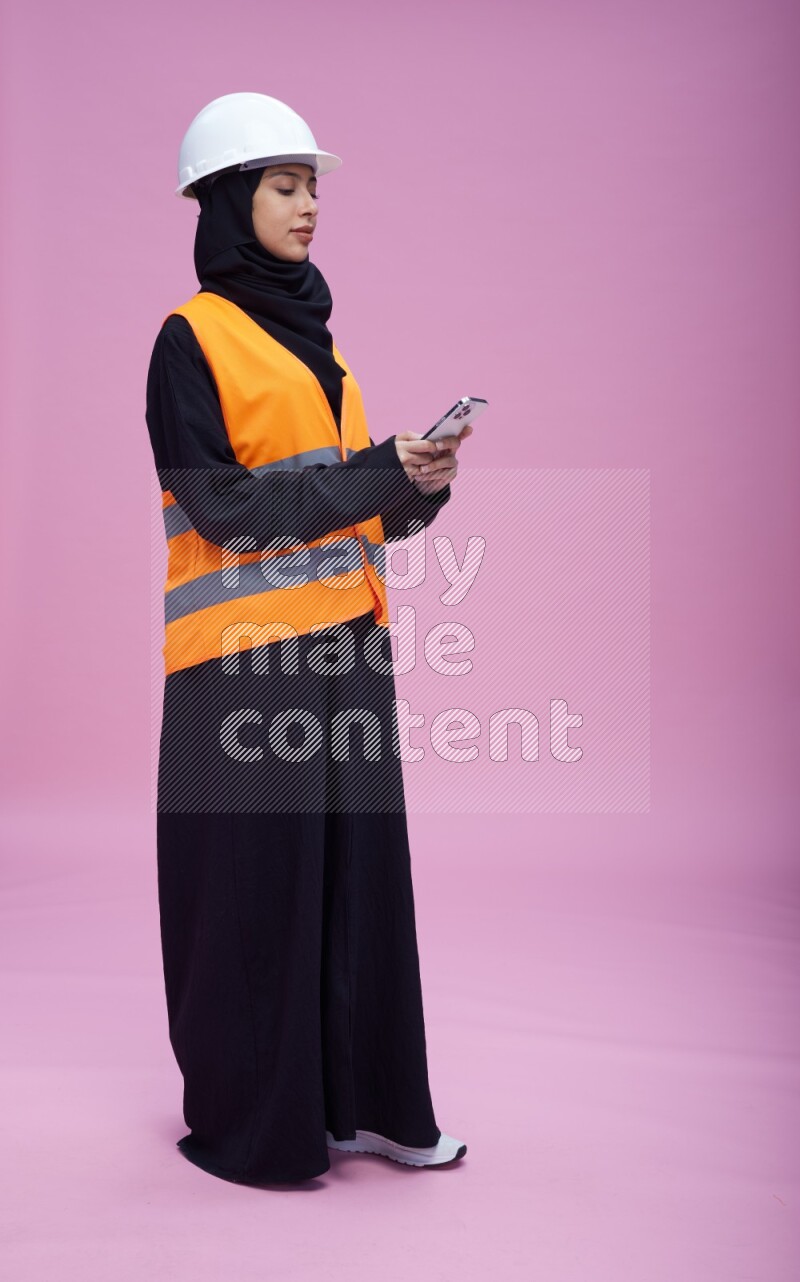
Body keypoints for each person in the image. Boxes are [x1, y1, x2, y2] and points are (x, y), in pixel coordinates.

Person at [145, 92, 471, 1185]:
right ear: (227, 201)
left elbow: (350, 512)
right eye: (284, 186)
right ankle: (261, 1128)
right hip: (241, 660)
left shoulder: (317, 344)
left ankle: (369, 1109)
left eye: (312, 187)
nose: (308, 205)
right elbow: (220, 506)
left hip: (345, 646)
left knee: (358, 884)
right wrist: (372, 475)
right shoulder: (190, 339)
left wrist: (416, 484)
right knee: (256, 895)